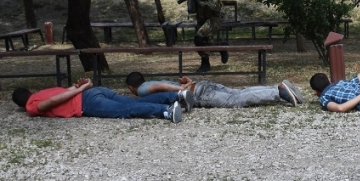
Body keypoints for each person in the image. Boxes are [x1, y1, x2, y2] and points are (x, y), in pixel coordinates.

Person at [11, 78, 183, 122]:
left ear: (21, 104)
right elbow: (64, 91)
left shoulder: (32, 105)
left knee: (126, 111)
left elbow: (53, 102)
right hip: (96, 92)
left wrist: (81, 88)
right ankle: (175, 96)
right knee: (133, 103)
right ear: (30, 91)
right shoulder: (41, 92)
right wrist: (81, 87)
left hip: (87, 102)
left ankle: (166, 112)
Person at [125, 71, 304, 109]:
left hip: (200, 94)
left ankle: (277, 93)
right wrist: (184, 83)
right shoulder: (150, 81)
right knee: (237, 93)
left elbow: (160, 87)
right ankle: (278, 88)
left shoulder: (141, 90)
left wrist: (180, 88)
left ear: (131, 87)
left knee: (236, 101)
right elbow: (160, 85)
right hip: (202, 86)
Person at [170, 0, 226, 73]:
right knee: (200, 40)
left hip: (214, 16)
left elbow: (213, 5)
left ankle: (205, 63)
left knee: (199, 37)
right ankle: (220, 47)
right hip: (201, 16)